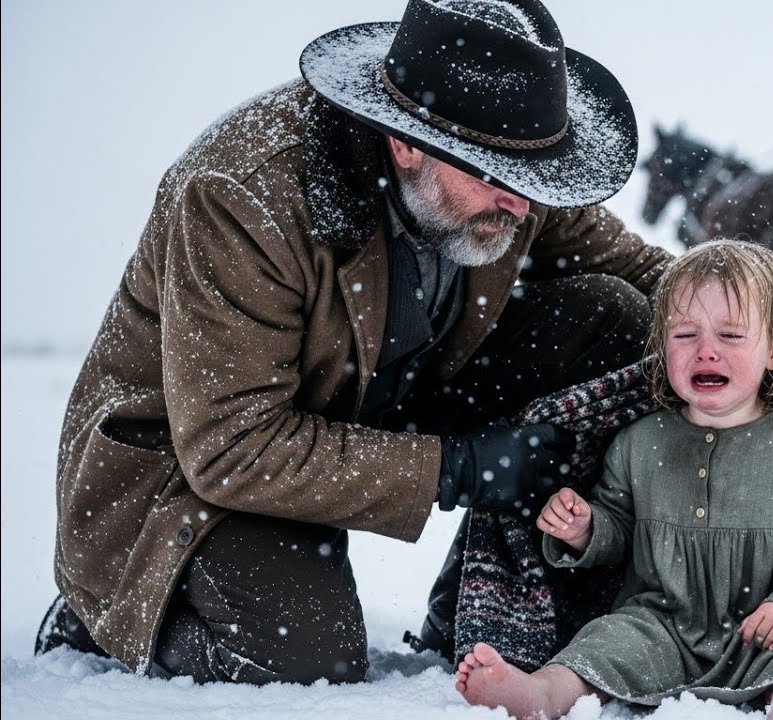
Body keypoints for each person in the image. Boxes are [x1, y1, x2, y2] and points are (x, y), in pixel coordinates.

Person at [34, 0, 674, 684]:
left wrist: (769, 334)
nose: (521, 204)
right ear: (405, 142)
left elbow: (649, 276)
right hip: (194, 473)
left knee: (622, 319)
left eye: (532, 176)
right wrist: (457, 466)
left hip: (375, 400)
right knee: (306, 656)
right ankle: (116, 614)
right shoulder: (245, 197)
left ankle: (489, 609)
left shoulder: (507, 170)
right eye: (493, 175)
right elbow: (229, 445)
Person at [456, 239, 773, 720]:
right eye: (685, 335)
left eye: (731, 335)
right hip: (661, 623)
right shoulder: (640, 440)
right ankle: (542, 693)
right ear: (661, 346)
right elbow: (620, 530)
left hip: (766, 629)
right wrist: (585, 529)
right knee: (604, 641)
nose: (706, 351)